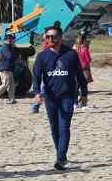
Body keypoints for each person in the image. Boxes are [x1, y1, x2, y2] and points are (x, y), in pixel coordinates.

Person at [32, 25, 88, 170]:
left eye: (54, 36)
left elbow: (79, 75)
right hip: (50, 98)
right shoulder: (42, 56)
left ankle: (61, 158)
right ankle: (60, 154)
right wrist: (37, 93)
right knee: (54, 128)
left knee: (64, 127)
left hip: (67, 97)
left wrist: (84, 93)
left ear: (60, 37)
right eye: (48, 37)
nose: (50, 39)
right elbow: (36, 76)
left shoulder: (71, 54)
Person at [0, 31, 17, 104]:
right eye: (12, 39)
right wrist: (16, 56)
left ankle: (12, 100)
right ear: (9, 39)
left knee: (12, 85)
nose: (13, 41)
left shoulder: (9, 47)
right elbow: (10, 57)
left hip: (8, 69)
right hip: (4, 69)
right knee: (5, 84)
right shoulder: (5, 47)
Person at [74, 32, 93, 105]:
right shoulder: (85, 49)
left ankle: (75, 103)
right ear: (84, 40)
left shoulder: (75, 48)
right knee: (84, 87)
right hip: (85, 69)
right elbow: (88, 60)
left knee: (76, 86)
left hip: (76, 68)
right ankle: (83, 103)